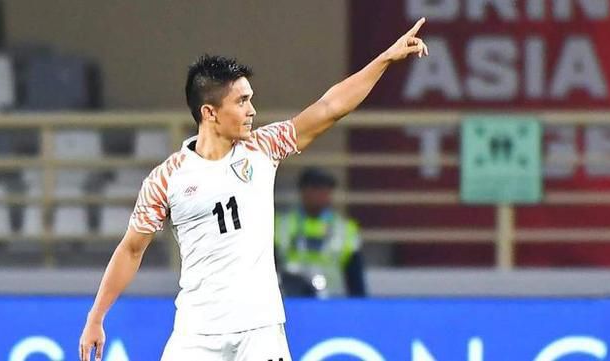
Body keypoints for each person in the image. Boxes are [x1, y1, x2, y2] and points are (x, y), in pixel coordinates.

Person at [79, 17, 428, 361]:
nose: (252, 110)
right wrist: (96, 317)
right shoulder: (166, 179)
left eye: (250, 99)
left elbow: (329, 108)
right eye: (241, 101)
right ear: (209, 112)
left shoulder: (264, 148)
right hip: (196, 335)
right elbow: (131, 251)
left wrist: (385, 58)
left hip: (260, 333)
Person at [275, 167, 366, 298]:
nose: (319, 195)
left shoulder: (344, 230)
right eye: (314, 189)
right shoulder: (282, 225)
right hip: (290, 303)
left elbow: (356, 281)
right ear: (303, 191)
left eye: (325, 190)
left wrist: (358, 309)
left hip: (332, 304)